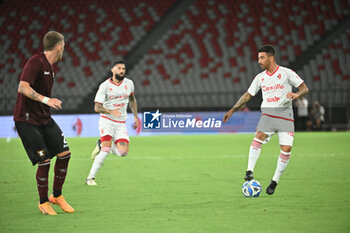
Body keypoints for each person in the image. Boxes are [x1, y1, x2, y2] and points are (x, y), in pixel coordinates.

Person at [223, 45, 309, 195]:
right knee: (259, 136)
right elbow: (247, 95)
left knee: (286, 149)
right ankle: (249, 171)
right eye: (258, 58)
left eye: (262, 58)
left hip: (285, 115)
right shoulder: (260, 78)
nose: (259, 61)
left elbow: (304, 88)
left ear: (271, 58)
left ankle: (275, 181)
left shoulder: (286, 73)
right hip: (268, 114)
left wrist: (296, 95)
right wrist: (232, 109)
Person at [14, 31, 74, 215]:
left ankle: (56, 196)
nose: (64, 48)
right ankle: (42, 202)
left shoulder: (50, 66)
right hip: (27, 120)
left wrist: (46, 105)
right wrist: (47, 100)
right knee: (44, 160)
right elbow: (23, 87)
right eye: (63, 45)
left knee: (64, 154)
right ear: (59, 46)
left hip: (44, 118)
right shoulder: (36, 62)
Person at [86, 60, 138, 185]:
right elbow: (97, 108)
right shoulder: (105, 86)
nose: (122, 71)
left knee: (123, 152)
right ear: (112, 70)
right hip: (107, 121)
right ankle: (90, 179)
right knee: (106, 149)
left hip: (121, 123)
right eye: (119, 68)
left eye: (123, 69)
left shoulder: (129, 84)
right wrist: (110, 111)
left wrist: (136, 117)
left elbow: (132, 100)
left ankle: (100, 144)